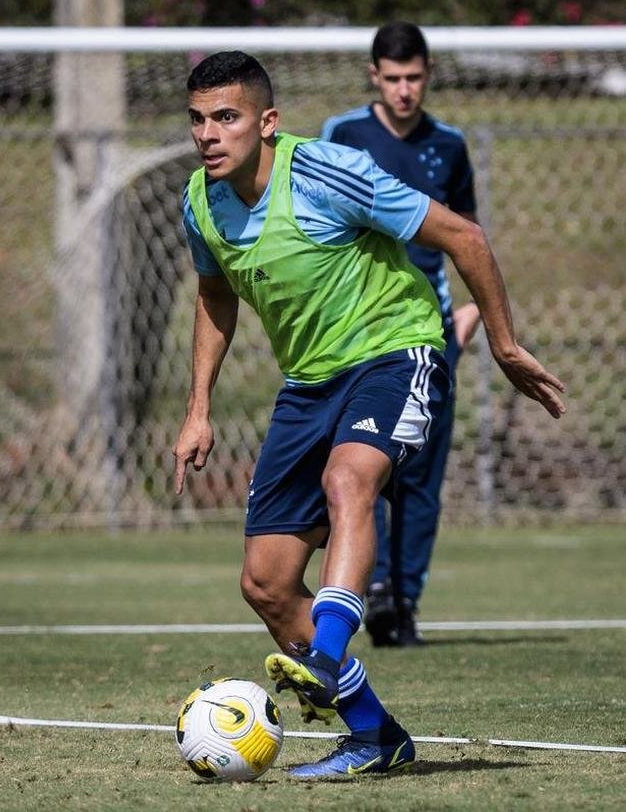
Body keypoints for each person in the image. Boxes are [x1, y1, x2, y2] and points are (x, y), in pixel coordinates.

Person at [173, 50, 565, 779]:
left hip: (394, 352)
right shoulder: (201, 200)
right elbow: (214, 293)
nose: (208, 134)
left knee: (348, 480)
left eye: (226, 117)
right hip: (308, 384)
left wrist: (505, 346)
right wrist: (199, 407)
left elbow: (464, 236)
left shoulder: (328, 173)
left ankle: (325, 655)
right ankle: (375, 735)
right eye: (197, 120)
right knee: (265, 582)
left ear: (267, 122)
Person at [322, 21, 481, 647]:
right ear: (374, 76)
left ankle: (404, 600)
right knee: (363, 467)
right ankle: (374, 591)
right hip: (361, 332)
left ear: (428, 74)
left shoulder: (450, 145)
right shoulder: (343, 135)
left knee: (420, 475)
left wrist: (468, 313)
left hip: (430, 335)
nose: (405, 89)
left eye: (414, 77)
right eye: (393, 78)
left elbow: (468, 236)